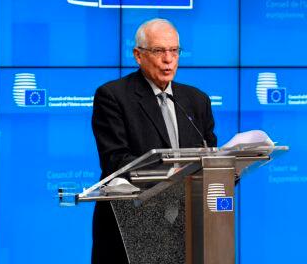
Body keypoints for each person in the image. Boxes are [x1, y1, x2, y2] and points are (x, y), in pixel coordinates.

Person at [90, 18, 217, 263]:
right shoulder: (113, 97)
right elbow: (116, 161)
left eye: (174, 51)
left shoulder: (197, 100)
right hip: (134, 226)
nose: (168, 59)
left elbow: (210, 156)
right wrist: (174, 172)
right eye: (159, 51)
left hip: (187, 228)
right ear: (138, 55)